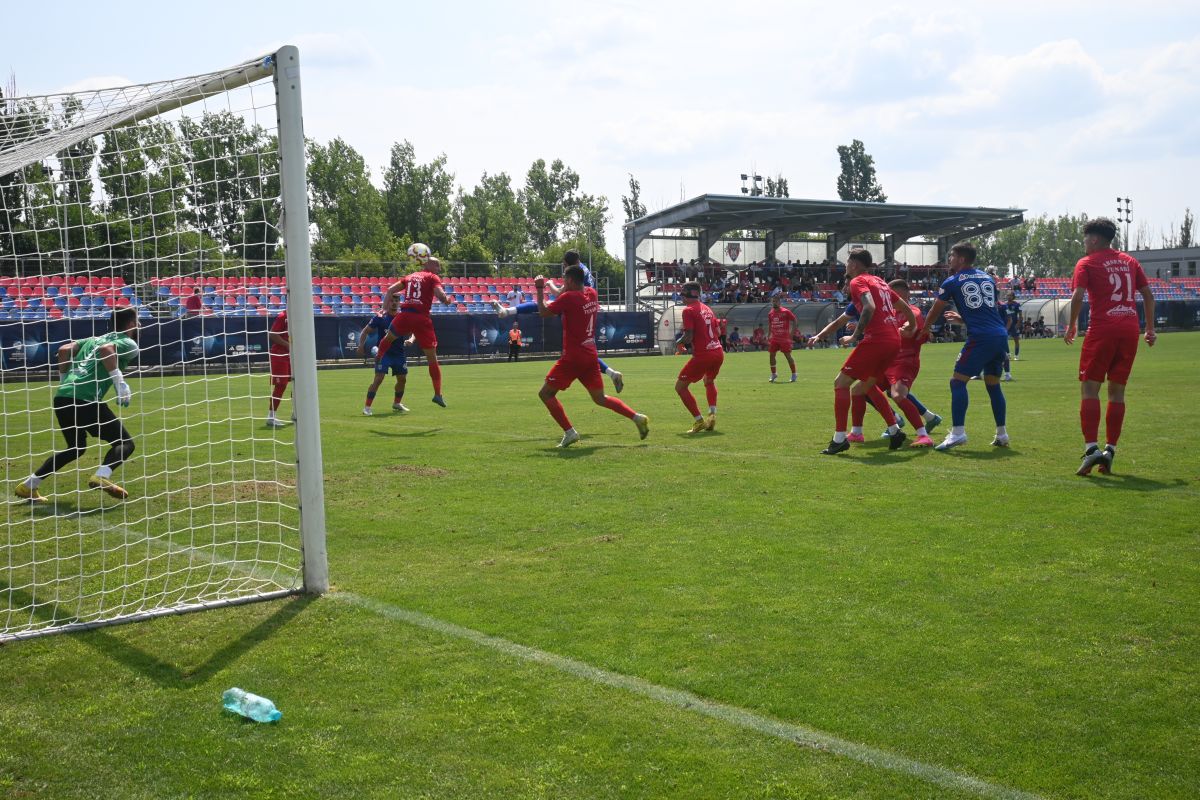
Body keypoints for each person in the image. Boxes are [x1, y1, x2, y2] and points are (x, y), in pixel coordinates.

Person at [15, 308, 139, 502]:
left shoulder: (91, 339)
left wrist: (65, 379)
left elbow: (64, 350)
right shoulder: (128, 342)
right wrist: (119, 382)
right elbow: (107, 350)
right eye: (137, 321)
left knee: (75, 448)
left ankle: (29, 486)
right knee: (125, 443)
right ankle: (102, 476)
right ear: (131, 324)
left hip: (63, 396)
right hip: (85, 399)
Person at [1065, 217, 1156, 476]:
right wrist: (1150, 329)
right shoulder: (1130, 261)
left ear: (1094, 239)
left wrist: (1072, 325)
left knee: (1090, 388)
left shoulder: (1087, 262)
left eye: (1085, 239)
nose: (1084, 244)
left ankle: (1092, 448)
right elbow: (1148, 296)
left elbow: (1078, 295)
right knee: (1117, 392)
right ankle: (1110, 450)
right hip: (1129, 330)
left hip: (1102, 329)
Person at [808, 250, 915, 454]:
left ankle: (839, 439)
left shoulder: (858, 282)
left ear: (855, 265)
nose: (846, 265)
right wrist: (911, 325)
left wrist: (854, 337)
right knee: (866, 387)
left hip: (877, 340)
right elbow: (902, 305)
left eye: (848, 262)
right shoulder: (880, 282)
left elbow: (870, 307)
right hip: (894, 342)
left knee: (840, 383)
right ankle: (894, 430)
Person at [535, 265, 649, 447]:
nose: (563, 283)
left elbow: (543, 312)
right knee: (600, 398)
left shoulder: (569, 298)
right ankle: (636, 417)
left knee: (546, 394)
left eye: (565, 280)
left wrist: (540, 288)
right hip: (590, 355)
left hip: (572, 357)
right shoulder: (592, 293)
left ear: (570, 280)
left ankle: (570, 432)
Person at [918, 241, 1010, 450]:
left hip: (981, 338)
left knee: (957, 382)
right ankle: (1002, 433)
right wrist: (963, 319)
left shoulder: (952, 281)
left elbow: (935, 309)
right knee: (993, 384)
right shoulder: (987, 278)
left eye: (951, 256)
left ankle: (958, 432)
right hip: (999, 334)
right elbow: (986, 310)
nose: (949, 260)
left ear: (960, 259)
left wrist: (925, 328)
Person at [492, 251, 624, 392]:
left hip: (577, 307)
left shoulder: (574, 275)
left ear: (567, 264)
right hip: (588, 306)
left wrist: (549, 284)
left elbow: (558, 293)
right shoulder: (583, 268)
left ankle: (506, 312)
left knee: (543, 306)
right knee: (586, 352)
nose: (564, 269)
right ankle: (612, 373)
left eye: (564, 266)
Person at [375, 256, 454, 408]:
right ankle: (438, 394)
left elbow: (391, 289)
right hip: (421, 318)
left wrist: (384, 309)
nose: (439, 269)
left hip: (404, 315)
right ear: (429, 265)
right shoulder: (432, 277)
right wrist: (446, 300)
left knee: (389, 337)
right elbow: (439, 294)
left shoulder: (410, 276)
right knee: (432, 358)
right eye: (437, 266)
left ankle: (378, 356)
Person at [675, 281, 723, 433]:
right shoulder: (707, 308)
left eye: (683, 295)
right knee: (709, 381)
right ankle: (712, 414)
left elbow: (688, 336)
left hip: (704, 355)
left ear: (689, 295)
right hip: (718, 352)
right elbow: (718, 332)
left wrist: (678, 343)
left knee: (680, 387)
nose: (682, 298)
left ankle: (699, 421)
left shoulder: (688, 310)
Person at [357, 296, 409, 415]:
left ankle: (397, 403)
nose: (394, 303)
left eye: (396, 301)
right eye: (392, 300)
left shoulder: (403, 318)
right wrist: (360, 345)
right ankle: (367, 407)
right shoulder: (381, 317)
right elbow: (365, 331)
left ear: (399, 303)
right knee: (378, 379)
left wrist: (411, 339)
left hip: (399, 354)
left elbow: (414, 331)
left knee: (402, 379)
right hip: (383, 353)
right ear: (387, 302)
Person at [267, 309, 291, 428]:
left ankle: (296, 413)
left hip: (293, 355)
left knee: (299, 384)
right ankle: (271, 416)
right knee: (281, 385)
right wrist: (288, 345)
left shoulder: (300, 316)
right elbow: (272, 334)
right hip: (280, 354)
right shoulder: (283, 316)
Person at [766, 294, 797, 383]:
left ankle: (794, 374)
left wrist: (792, 333)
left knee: (788, 356)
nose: (774, 302)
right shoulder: (770, 313)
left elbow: (794, 320)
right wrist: (769, 335)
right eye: (773, 301)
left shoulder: (786, 311)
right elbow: (770, 324)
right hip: (774, 338)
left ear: (779, 302)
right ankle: (773, 374)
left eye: (776, 301)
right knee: (771, 355)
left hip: (784, 338)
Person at [1003, 291, 1022, 379]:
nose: (1008, 296)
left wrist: (1018, 324)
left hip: (1014, 324)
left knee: (1016, 340)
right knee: (1004, 340)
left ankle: (1016, 356)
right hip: (1006, 324)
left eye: (1010, 295)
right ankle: (1008, 354)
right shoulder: (1004, 304)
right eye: (1008, 295)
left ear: (1013, 296)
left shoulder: (1017, 304)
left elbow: (1020, 315)